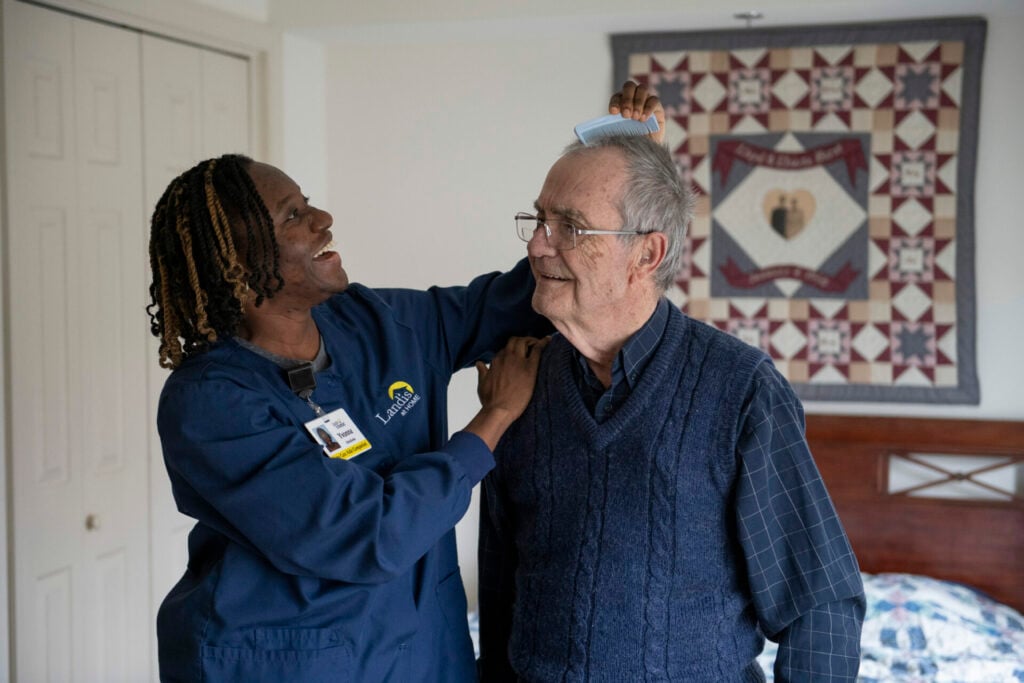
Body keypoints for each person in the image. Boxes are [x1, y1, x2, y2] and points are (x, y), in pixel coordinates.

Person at [477, 99, 866, 681]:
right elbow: (501, 592)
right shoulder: (521, 384)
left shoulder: (740, 390)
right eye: (538, 221)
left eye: (570, 227)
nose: (536, 245)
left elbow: (821, 609)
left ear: (648, 253)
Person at [147, 154, 551, 682]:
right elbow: (367, 534)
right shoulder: (210, 403)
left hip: (425, 651)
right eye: (292, 216)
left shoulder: (372, 323)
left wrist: (622, 168)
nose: (323, 218)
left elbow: (514, 302)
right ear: (238, 264)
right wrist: (493, 418)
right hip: (291, 663)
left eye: (307, 202)